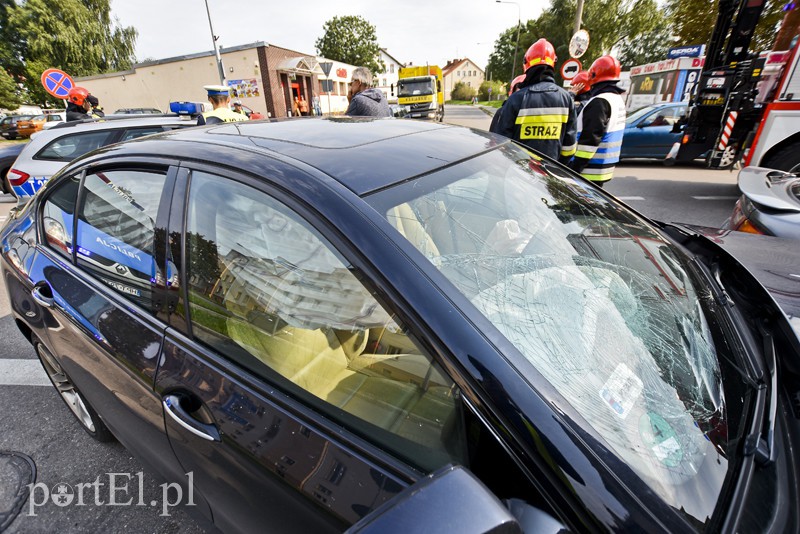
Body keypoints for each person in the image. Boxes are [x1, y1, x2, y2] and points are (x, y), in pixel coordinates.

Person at [495, 39, 577, 162]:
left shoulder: (516, 99)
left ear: (526, 63)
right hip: (551, 173)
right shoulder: (566, 99)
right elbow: (569, 147)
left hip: (520, 171)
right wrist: (558, 168)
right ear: (553, 63)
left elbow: (502, 142)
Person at [568, 55, 627, 187]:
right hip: (602, 169)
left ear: (594, 75)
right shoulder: (616, 100)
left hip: (588, 170)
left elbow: (590, 139)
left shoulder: (600, 102)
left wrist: (574, 169)